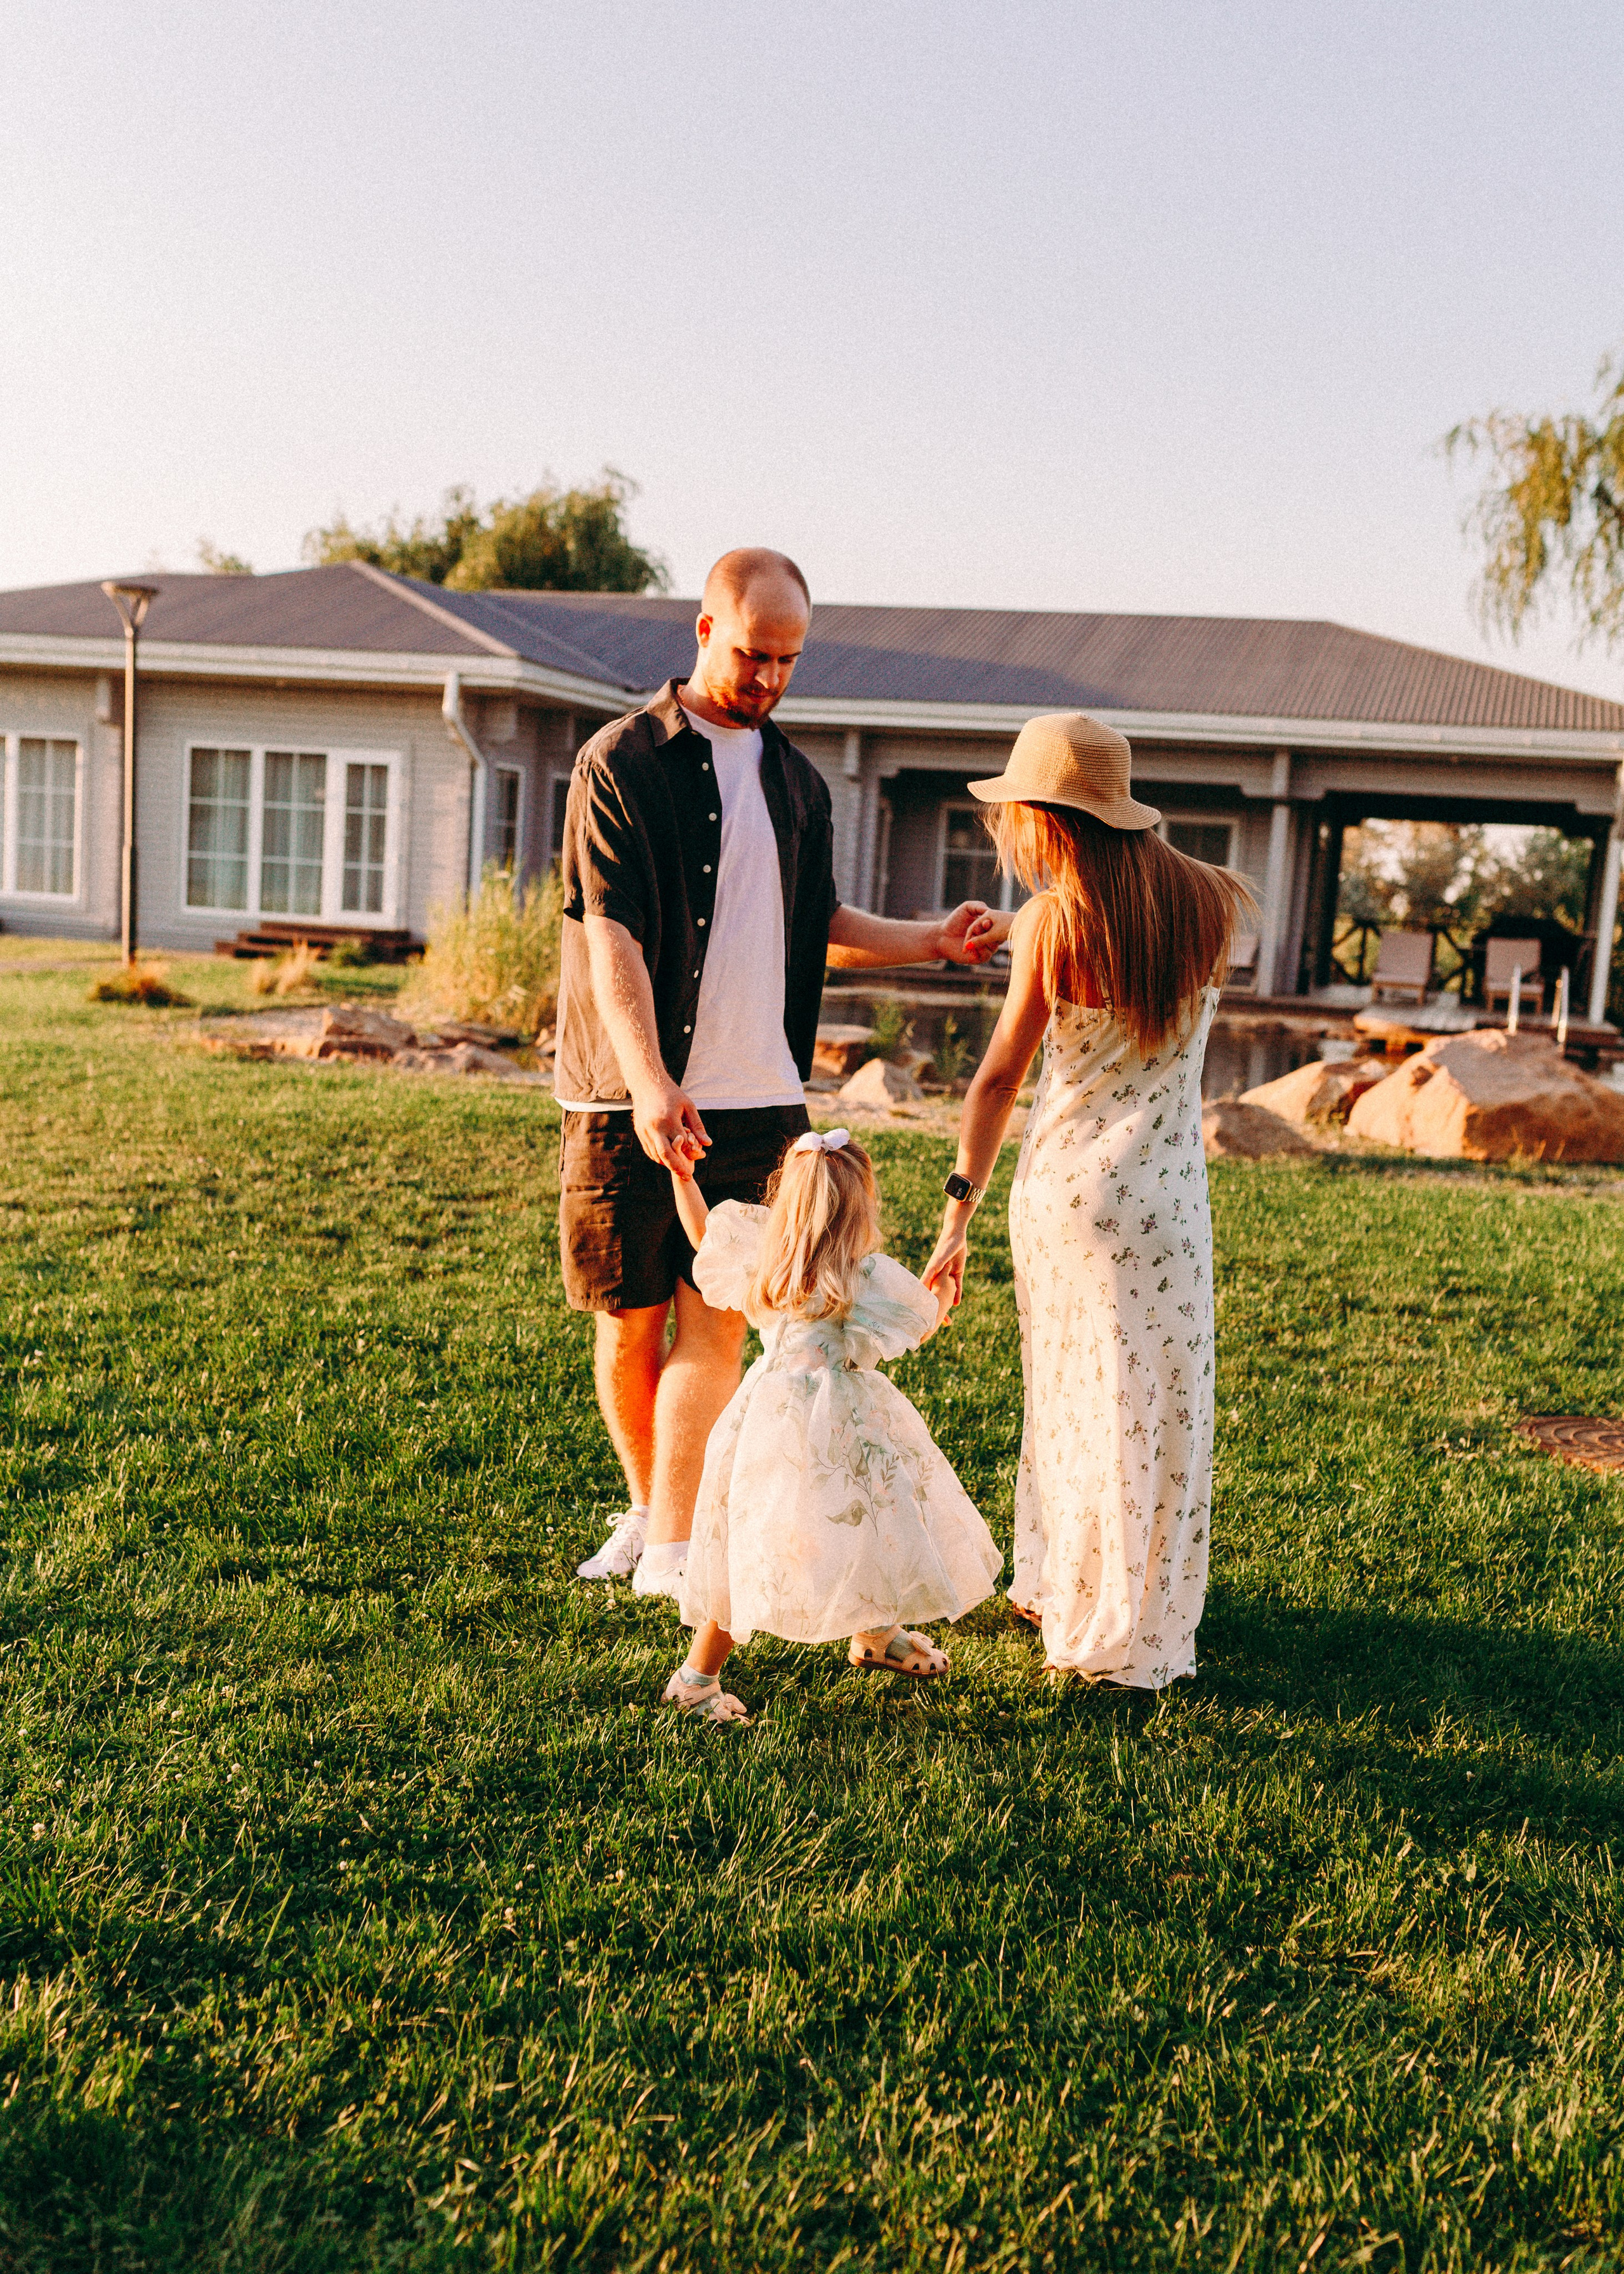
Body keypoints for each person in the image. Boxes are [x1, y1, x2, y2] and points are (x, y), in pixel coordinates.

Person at [558, 547, 1002, 1594]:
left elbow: (822, 925)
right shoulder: (617, 763)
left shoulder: (799, 782)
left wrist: (932, 940)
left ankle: (677, 1541)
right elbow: (611, 935)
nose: (767, 678)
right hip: (632, 1095)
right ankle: (645, 1506)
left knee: (715, 1318)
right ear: (706, 630)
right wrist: (651, 1078)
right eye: (755, 653)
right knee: (630, 1322)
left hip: (761, 1102)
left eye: (788, 660)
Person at [922, 712, 1255, 1689]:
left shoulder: (1054, 924)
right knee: (1155, 1407)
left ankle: (1065, 1588)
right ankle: (1141, 1617)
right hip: (1166, 1208)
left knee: (1072, 1402)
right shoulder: (1214, 903)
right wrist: (1017, 929)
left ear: (1049, 822)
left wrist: (956, 1211)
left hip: (1065, 1199)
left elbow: (994, 1084)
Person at [660, 1127, 1003, 1724]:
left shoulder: (765, 1256)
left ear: (785, 1198)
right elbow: (920, 1323)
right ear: (860, 1207)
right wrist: (943, 1294)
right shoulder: (866, 1275)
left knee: (772, 1538)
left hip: (766, 1419)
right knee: (862, 1522)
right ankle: (694, 1683)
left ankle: (873, 1633)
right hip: (848, 1430)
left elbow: (703, 1241)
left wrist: (684, 1178)